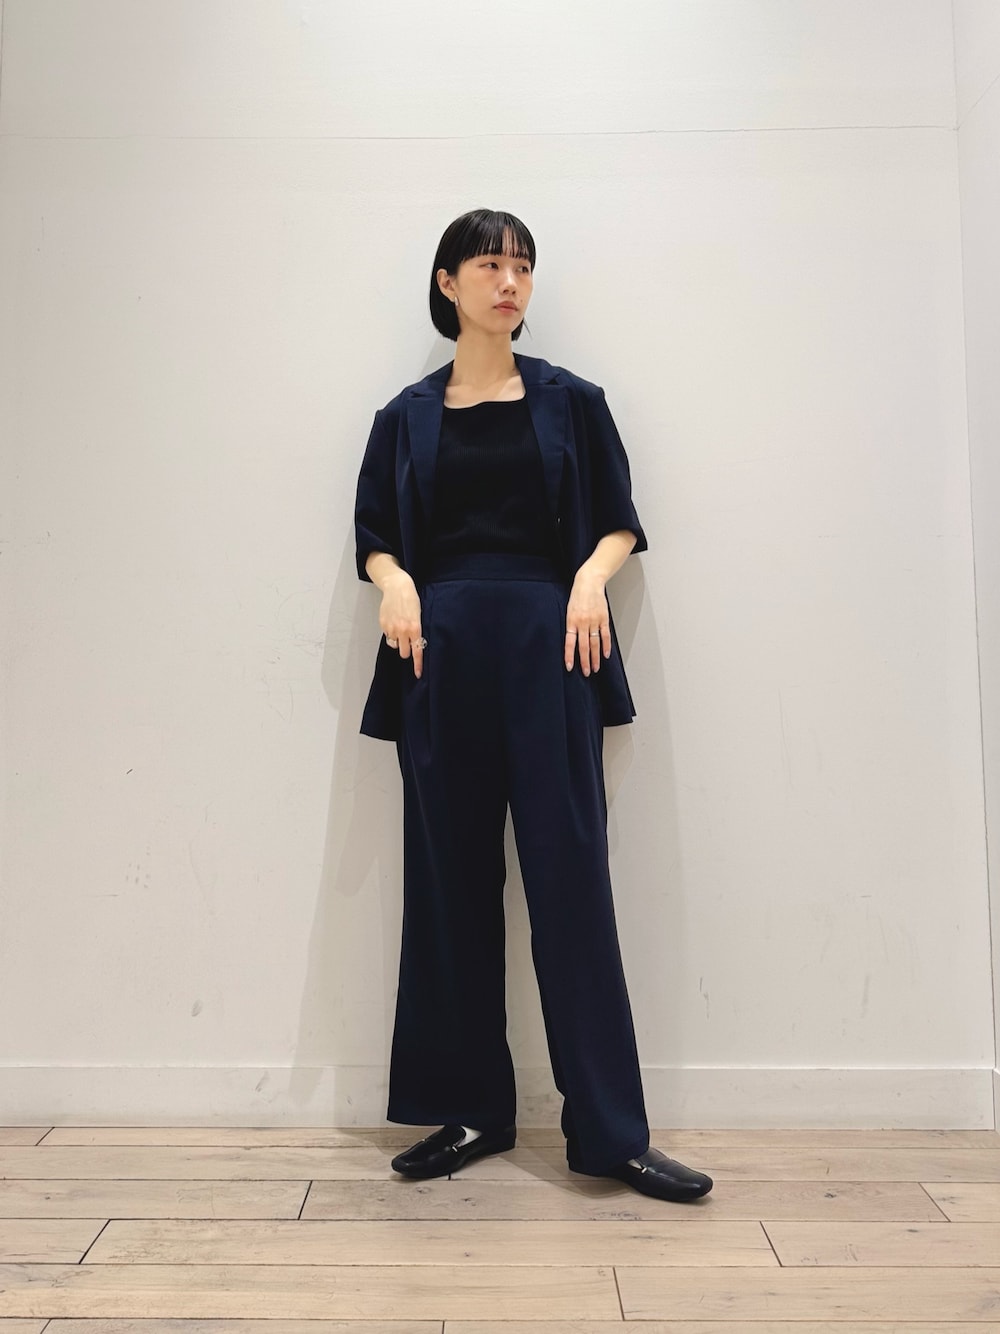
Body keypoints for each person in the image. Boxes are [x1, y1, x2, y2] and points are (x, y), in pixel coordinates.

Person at [353, 208, 712, 1202]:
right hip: (437, 654)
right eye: (488, 264)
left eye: (521, 266)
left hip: (553, 648)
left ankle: (611, 1132)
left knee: (571, 882)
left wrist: (590, 578)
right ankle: (471, 1109)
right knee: (449, 885)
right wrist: (394, 580)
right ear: (446, 284)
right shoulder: (403, 417)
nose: (509, 282)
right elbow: (375, 532)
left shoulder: (572, 402)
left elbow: (618, 521)